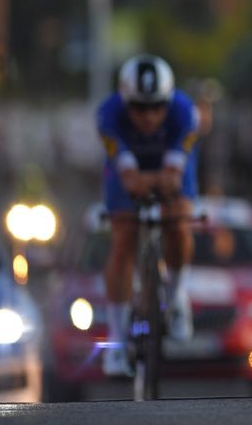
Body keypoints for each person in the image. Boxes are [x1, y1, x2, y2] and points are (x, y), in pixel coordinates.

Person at [96, 54, 199, 377]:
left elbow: (172, 176)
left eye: (157, 107)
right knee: (124, 238)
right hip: (126, 169)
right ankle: (116, 338)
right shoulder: (107, 114)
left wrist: (162, 183)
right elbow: (128, 178)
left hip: (170, 164)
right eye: (139, 108)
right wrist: (141, 182)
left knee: (179, 221)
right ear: (125, 102)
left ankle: (177, 291)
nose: (150, 116)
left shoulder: (186, 113)